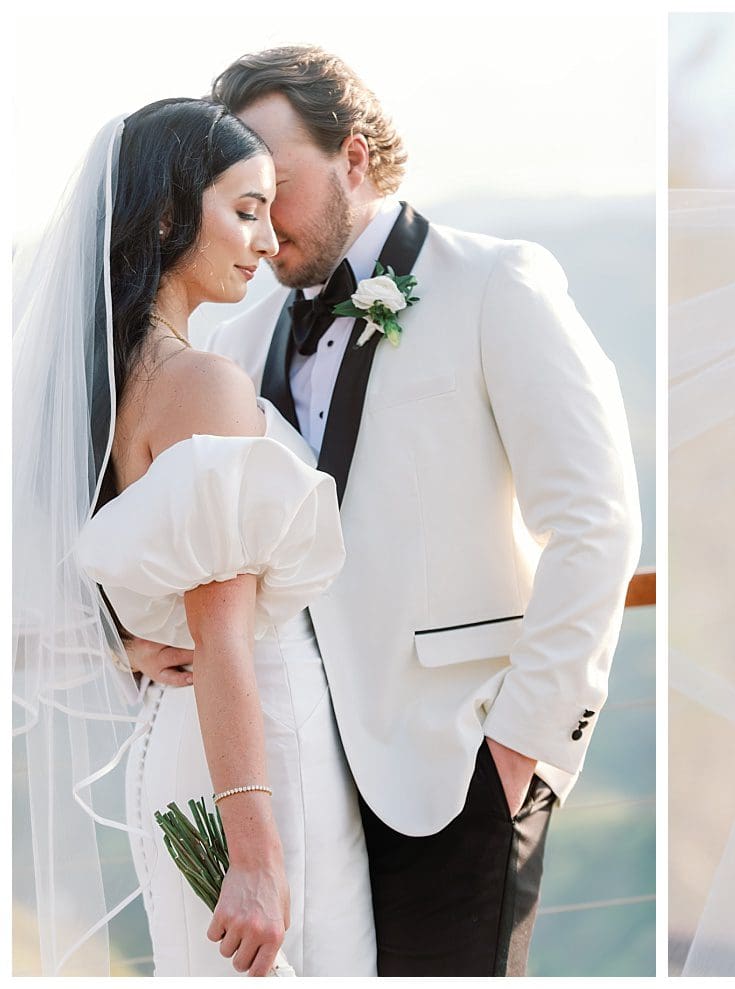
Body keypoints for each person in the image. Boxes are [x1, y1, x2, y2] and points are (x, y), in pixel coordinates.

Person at [162, 47, 641, 976]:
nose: (258, 224)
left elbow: (596, 520)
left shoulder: (499, 281)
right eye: (235, 192)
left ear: (355, 160)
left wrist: (521, 755)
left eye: (276, 181)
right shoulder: (235, 338)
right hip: (302, 777)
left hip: (458, 769)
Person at [15, 97, 369, 977]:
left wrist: (125, 647)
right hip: (255, 747)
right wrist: (252, 854)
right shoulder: (201, 381)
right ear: (171, 216)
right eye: (245, 211)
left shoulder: (112, 378)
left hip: (178, 740)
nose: (265, 240)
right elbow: (220, 633)